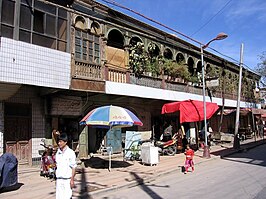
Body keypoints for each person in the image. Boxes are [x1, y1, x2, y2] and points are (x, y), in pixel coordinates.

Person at [55, 133, 77, 199]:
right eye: (58, 141)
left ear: (65, 142)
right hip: (59, 179)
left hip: (67, 180)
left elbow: (74, 167)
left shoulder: (70, 153)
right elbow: (57, 165)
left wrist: (72, 179)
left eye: (61, 141)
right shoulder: (58, 153)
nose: (59, 143)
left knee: (67, 197)